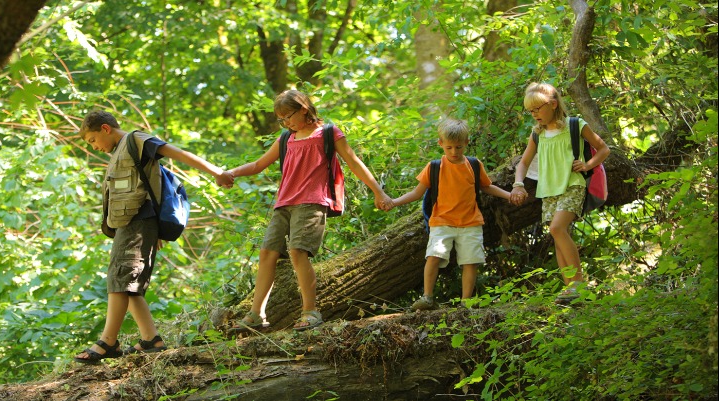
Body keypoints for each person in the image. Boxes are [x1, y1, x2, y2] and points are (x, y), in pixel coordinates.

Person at [218, 89, 392, 331]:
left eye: (288, 116)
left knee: (298, 251)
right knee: (267, 252)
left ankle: (311, 312)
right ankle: (257, 314)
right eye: (281, 119)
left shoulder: (328, 133)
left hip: (312, 201)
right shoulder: (286, 139)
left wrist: (378, 192)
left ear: (303, 109)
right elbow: (258, 164)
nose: (286, 123)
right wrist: (231, 173)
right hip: (284, 203)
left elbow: (354, 162)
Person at [74, 110, 233, 364]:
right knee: (128, 282)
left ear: (105, 128)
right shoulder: (119, 152)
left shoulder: (136, 140)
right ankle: (151, 339)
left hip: (138, 222)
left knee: (121, 279)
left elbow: (177, 153)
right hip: (130, 224)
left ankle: (108, 342)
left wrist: (216, 172)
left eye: (93, 140)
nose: (94, 147)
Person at [385, 118, 511, 310]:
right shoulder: (434, 167)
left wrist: (509, 195)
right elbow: (417, 193)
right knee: (433, 256)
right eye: (449, 147)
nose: (454, 152)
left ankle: (466, 301)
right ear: (440, 143)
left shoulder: (474, 165)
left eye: (458, 147)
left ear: (466, 143)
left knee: (470, 261)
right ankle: (427, 297)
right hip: (441, 222)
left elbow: (487, 187)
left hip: (470, 222)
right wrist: (394, 202)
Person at [509, 82, 610, 304]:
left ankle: (578, 284)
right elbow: (523, 163)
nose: (534, 115)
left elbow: (604, 149)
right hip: (549, 190)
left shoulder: (575, 125)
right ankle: (570, 291)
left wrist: (587, 164)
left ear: (553, 104)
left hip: (573, 184)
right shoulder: (537, 134)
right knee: (557, 235)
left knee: (557, 228)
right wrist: (518, 184)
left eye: (537, 109)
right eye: (530, 111)